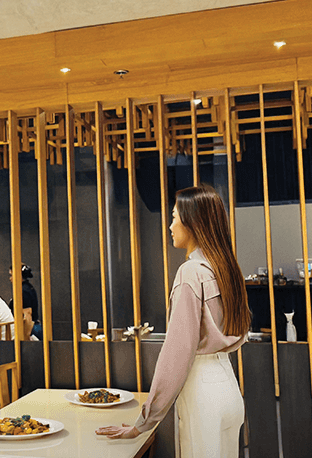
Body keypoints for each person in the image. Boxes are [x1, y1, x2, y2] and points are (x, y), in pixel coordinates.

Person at [96, 185, 250, 457]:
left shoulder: (191, 272)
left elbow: (177, 355)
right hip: (229, 388)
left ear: (192, 223)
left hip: (202, 391)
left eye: (175, 217)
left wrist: (143, 422)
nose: (170, 226)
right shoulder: (226, 269)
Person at [9, 264, 43, 340]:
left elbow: (27, 313)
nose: (10, 278)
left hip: (31, 329)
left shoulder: (23, 291)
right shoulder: (27, 287)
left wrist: (26, 336)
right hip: (34, 327)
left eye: (11, 275)